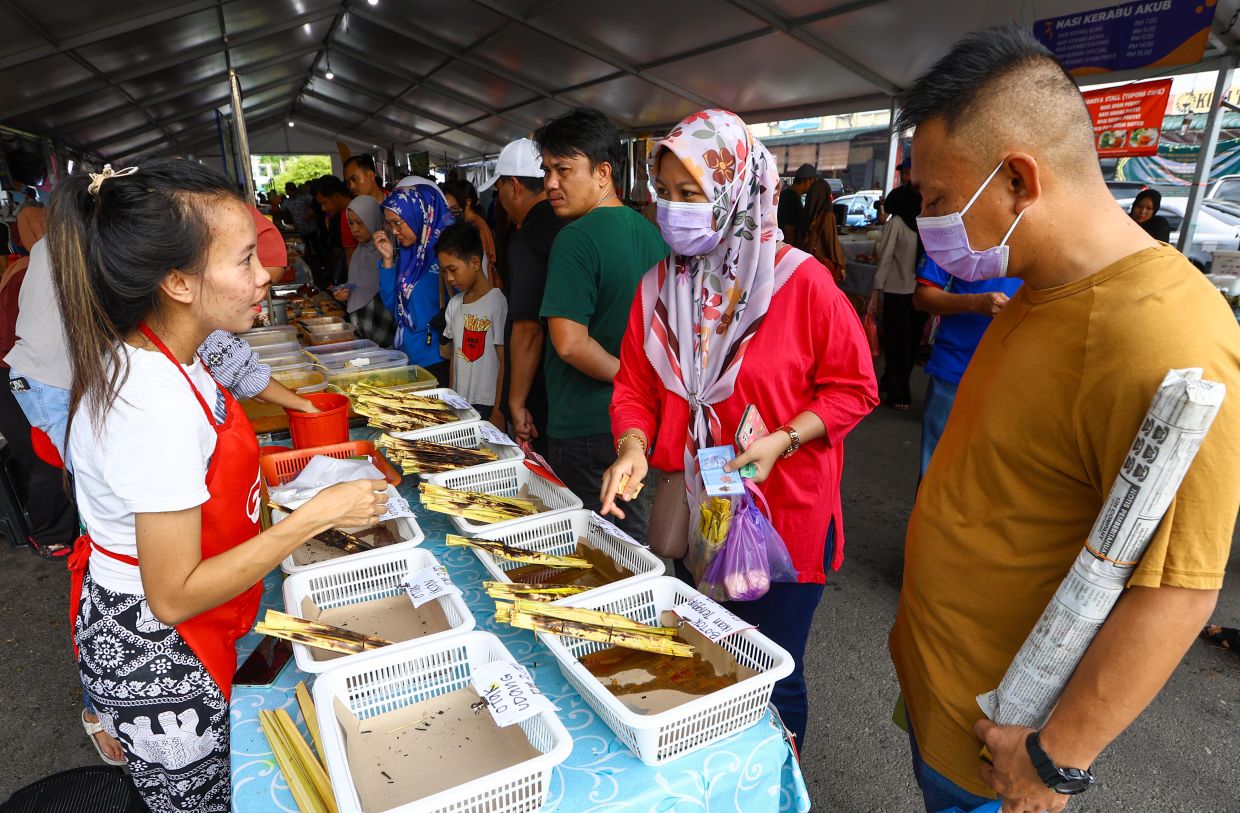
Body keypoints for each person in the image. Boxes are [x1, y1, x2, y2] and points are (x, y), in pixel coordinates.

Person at [886, 25, 1240, 813]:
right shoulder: (1036, 282)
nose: (933, 228)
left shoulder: (1167, 335)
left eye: (940, 201)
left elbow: (1179, 589)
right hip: (942, 690)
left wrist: (1056, 759)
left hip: (1000, 750)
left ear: (1017, 179)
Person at [50, 160, 386, 811]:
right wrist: (314, 515)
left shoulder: (177, 350)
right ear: (177, 281)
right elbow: (173, 594)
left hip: (171, 628)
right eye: (243, 260)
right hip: (160, 654)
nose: (265, 272)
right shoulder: (153, 401)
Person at [600, 109, 878, 750]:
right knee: (703, 651)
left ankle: (777, 781)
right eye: (665, 194)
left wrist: (783, 439)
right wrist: (634, 447)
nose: (673, 211)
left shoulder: (802, 284)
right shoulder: (658, 288)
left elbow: (854, 389)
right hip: (696, 511)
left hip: (782, 513)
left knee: (773, 673)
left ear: (737, 192)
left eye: (691, 194)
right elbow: (636, 388)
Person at [535, 107, 668, 539]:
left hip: (586, 423)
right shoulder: (651, 232)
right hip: (638, 425)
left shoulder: (574, 239)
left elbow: (571, 344)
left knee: (599, 551)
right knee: (631, 541)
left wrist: (627, 380)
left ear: (603, 172)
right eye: (546, 170)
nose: (551, 183)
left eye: (563, 169)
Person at [480, 138, 563, 452]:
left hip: (540, 390)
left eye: (499, 190)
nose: (499, 199)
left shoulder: (526, 239)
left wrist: (514, 402)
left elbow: (528, 328)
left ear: (513, 186)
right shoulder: (570, 225)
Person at [913, 256, 1021, 477]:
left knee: (997, 478)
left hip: (1019, 377)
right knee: (936, 473)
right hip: (955, 369)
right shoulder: (957, 230)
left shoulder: (1049, 234)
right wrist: (974, 303)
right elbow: (922, 297)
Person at [374, 186, 454, 384]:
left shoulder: (447, 255)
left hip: (437, 359)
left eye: (398, 223)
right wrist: (388, 261)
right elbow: (393, 306)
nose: (394, 231)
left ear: (419, 215)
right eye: (390, 224)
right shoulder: (406, 255)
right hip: (407, 356)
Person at [437, 223, 507, 428]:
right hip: (460, 403)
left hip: (488, 403)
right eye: (443, 271)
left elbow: (504, 362)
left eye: (453, 270)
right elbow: (454, 357)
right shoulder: (454, 304)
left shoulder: (497, 303)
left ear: (475, 263)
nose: (449, 278)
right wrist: (451, 399)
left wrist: (498, 411)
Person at [868, 183, 926, 411]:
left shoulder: (897, 223)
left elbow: (885, 258)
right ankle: (893, 381)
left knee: (896, 343)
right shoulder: (922, 223)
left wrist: (875, 290)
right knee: (910, 344)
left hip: (896, 292)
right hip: (919, 293)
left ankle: (898, 392)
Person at [335, 196, 397, 347]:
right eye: (351, 223)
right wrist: (346, 292)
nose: (355, 229)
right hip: (362, 326)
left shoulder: (389, 250)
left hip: (381, 324)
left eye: (360, 223)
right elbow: (360, 286)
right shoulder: (359, 253)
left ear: (372, 219)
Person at [441, 180, 498, 286]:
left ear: (466, 202)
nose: (450, 214)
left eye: (454, 208)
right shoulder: (468, 224)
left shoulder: (475, 226)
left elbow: (482, 266)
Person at [795, 178, 848, 280]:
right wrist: (841, 266)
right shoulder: (827, 216)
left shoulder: (805, 215)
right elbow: (832, 243)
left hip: (805, 264)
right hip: (821, 267)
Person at [315, 174, 356, 283]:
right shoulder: (338, 216)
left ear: (335, 196)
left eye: (324, 203)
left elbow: (349, 254)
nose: (323, 209)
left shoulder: (350, 213)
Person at [777, 163, 817, 246]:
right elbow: (789, 231)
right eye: (813, 182)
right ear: (807, 180)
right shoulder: (792, 199)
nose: (813, 187)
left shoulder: (786, 194)